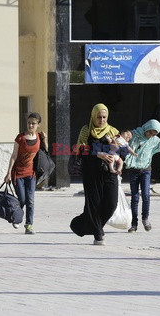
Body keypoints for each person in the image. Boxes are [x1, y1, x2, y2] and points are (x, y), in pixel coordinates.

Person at [70, 103, 119, 245]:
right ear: (93, 116)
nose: (101, 120)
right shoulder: (86, 130)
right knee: (94, 204)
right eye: (99, 117)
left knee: (111, 203)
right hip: (91, 172)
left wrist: (115, 146)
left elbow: (121, 151)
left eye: (104, 117)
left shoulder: (112, 131)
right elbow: (80, 150)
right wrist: (98, 154)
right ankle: (98, 234)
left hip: (110, 172)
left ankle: (82, 224)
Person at [4, 112, 47, 235]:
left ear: (38, 124)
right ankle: (16, 217)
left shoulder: (39, 137)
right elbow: (13, 156)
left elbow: (45, 152)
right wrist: (8, 174)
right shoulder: (20, 138)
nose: (30, 125)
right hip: (18, 174)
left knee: (31, 200)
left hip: (31, 174)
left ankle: (29, 225)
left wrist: (45, 139)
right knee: (22, 199)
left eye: (33, 123)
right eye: (29, 123)